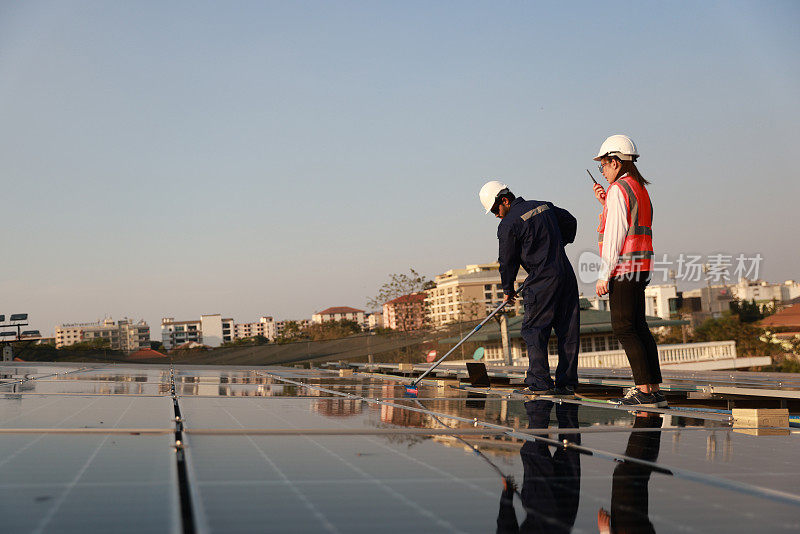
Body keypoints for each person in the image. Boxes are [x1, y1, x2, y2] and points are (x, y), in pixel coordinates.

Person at [479, 181, 580, 396]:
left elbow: (507, 261)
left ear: (504, 200)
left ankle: (539, 382)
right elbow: (571, 221)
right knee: (568, 331)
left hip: (541, 281)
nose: (496, 215)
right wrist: (559, 243)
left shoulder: (508, 224)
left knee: (534, 330)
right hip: (566, 275)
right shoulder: (544, 206)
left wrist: (507, 288)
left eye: (496, 210)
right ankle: (567, 383)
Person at [591, 135, 667, 408]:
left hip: (624, 267)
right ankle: (654, 390)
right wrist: (605, 204)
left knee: (624, 328)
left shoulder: (618, 190)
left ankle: (643, 391)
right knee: (639, 327)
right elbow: (630, 221)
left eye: (603, 165)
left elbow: (614, 235)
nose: (603, 170)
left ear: (614, 161)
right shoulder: (638, 188)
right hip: (642, 265)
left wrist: (604, 275)